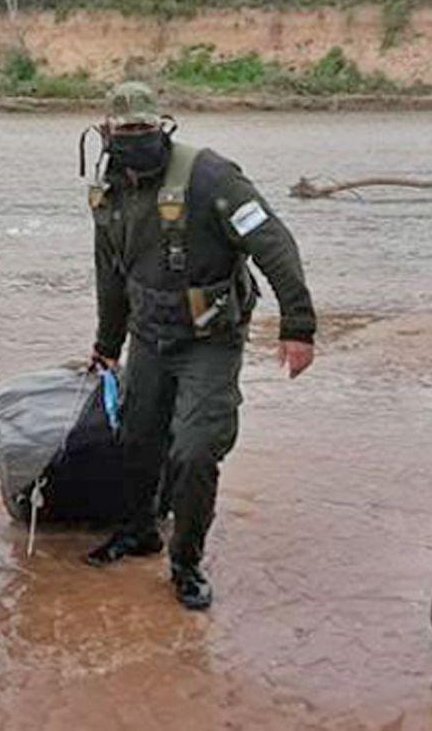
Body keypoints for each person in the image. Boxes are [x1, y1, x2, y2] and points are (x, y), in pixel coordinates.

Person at [83, 82, 317, 610]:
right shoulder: (110, 191)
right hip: (148, 337)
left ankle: (185, 563)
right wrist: (106, 343)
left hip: (209, 340)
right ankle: (140, 530)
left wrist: (298, 325)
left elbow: (272, 242)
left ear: (163, 126)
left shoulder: (211, 177)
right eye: (124, 131)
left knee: (193, 452)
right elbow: (110, 275)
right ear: (105, 133)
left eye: (145, 129)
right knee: (138, 440)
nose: (135, 139)